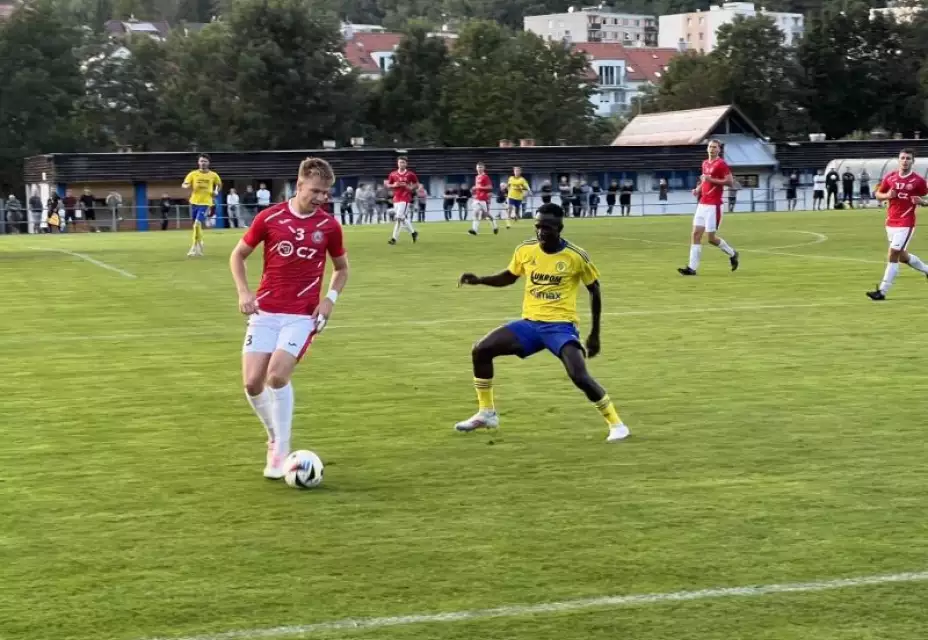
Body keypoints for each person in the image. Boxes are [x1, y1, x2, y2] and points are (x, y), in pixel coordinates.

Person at [455, 203, 629, 442]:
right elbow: (509, 276)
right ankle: (486, 413)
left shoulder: (575, 256)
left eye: (547, 227)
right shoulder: (526, 250)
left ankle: (617, 424)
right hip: (530, 325)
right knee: (481, 350)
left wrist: (595, 333)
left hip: (560, 327)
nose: (540, 232)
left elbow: (594, 290)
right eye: (537, 226)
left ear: (560, 228)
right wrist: (480, 280)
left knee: (579, 376)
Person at [230, 157, 350, 479]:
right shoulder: (270, 218)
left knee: (277, 376)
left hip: (301, 316)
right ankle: (272, 436)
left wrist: (329, 300)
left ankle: (281, 449)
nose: (321, 198)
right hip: (265, 312)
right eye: (315, 191)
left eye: (326, 193)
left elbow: (341, 269)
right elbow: (238, 255)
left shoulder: (329, 226)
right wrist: (244, 292)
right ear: (298, 185)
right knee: (252, 382)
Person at [866, 148, 928, 301]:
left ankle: (882, 291)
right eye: (903, 158)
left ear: (913, 161)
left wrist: (923, 202)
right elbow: (878, 195)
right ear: (898, 160)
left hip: (906, 222)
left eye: (908, 158)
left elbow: (925, 196)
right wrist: (887, 195)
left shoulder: (918, 181)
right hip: (891, 221)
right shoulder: (891, 177)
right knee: (902, 256)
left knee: (893, 253)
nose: (905, 161)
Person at [678, 139, 739, 276]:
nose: (711, 149)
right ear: (707, 148)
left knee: (711, 238)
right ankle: (692, 268)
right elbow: (704, 179)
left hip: (714, 205)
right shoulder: (705, 163)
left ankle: (733, 253)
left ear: (719, 150)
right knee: (695, 234)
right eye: (710, 146)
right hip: (703, 203)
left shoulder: (721, 164)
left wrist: (710, 180)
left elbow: (730, 182)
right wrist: (698, 189)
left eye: (714, 147)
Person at [182, 154, 222, 256]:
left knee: (197, 224)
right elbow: (185, 183)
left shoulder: (213, 175)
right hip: (194, 202)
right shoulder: (193, 174)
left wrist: (216, 191)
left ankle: (194, 247)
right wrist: (186, 185)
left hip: (206, 203)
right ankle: (200, 242)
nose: (203, 163)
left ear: (208, 163)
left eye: (205, 161)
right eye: (201, 161)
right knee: (196, 226)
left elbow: (219, 184)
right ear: (198, 162)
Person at [385, 156, 419, 245]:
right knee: (400, 219)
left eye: (403, 162)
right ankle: (413, 232)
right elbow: (388, 184)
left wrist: (409, 187)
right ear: (397, 163)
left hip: (405, 198)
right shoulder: (393, 174)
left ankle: (394, 239)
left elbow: (416, 184)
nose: (401, 164)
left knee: (399, 217)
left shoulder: (410, 174)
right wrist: (394, 185)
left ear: (406, 164)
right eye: (400, 162)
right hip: (396, 198)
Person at [468, 162, 497, 235]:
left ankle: (495, 226)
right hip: (477, 198)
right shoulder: (477, 177)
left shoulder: (485, 177)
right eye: (478, 167)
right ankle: (474, 230)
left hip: (484, 199)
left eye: (481, 167)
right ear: (476, 168)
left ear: (484, 168)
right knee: (476, 212)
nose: (479, 169)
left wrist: (478, 187)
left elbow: (490, 187)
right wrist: (473, 189)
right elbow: (478, 188)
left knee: (486, 215)